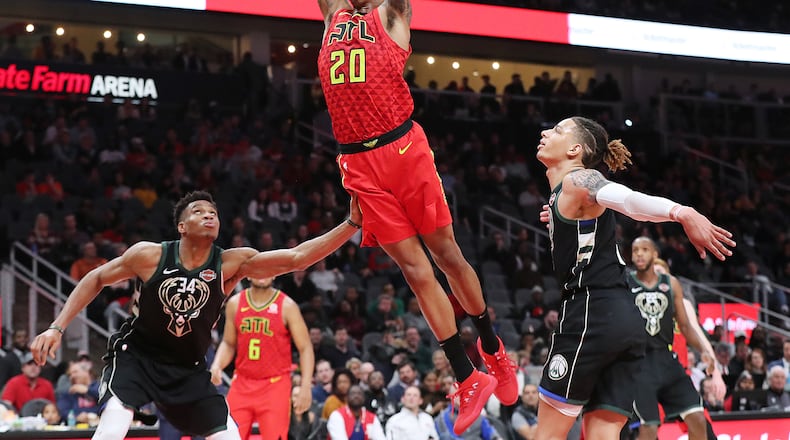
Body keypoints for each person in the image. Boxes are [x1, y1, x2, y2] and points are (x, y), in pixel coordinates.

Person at [317, 0, 517, 433]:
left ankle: (492, 346)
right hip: (356, 163)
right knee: (413, 270)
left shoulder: (390, 14)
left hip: (404, 149)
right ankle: (467, 376)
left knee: (446, 254)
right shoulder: (333, 16)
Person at [30, 190, 363, 440]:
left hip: (188, 369)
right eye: (199, 211)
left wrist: (351, 225)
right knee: (114, 424)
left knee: (228, 435)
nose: (209, 216)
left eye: (214, 213)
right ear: (181, 226)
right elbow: (96, 278)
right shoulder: (149, 255)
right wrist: (56, 328)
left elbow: (296, 258)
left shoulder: (231, 263)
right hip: (138, 357)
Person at [534, 116, 735, 439]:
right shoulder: (565, 193)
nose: (545, 132)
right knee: (603, 435)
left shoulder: (579, 180)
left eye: (558, 130)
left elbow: (626, 200)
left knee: (547, 435)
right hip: (626, 322)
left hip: (590, 313)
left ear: (575, 149)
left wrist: (681, 212)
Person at [628, 237, 725, 440]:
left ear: (654, 255)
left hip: (667, 360)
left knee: (698, 418)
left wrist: (705, 352)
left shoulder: (671, 284)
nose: (639, 253)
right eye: (635, 250)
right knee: (649, 428)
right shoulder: (626, 283)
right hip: (639, 362)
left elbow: (687, 326)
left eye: (645, 249)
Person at [208, 274, 315, 440]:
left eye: (268, 269)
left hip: (275, 385)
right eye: (259, 269)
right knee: (225, 436)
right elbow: (228, 343)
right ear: (249, 274)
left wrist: (306, 386)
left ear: (274, 275)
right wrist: (217, 365)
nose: (264, 273)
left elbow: (305, 347)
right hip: (242, 383)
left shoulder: (287, 306)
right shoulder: (235, 303)